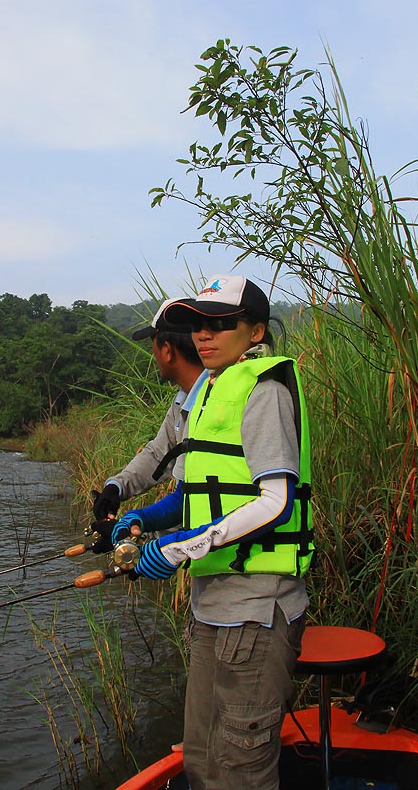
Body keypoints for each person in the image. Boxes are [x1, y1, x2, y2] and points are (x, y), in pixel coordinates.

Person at [110, 274, 314, 790]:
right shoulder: (208, 390)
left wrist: (182, 548)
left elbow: (274, 501)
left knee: (242, 767)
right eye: (200, 324)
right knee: (201, 756)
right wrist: (140, 517)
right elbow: (191, 489)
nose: (204, 335)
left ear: (254, 332)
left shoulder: (264, 392)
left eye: (221, 324)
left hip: (256, 609)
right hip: (211, 605)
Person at [91, 298, 207, 532]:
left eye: (152, 345)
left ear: (166, 350)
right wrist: (117, 487)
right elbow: (159, 454)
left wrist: (133, 533)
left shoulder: (210, 404)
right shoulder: (183, 399)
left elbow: (190, 500)